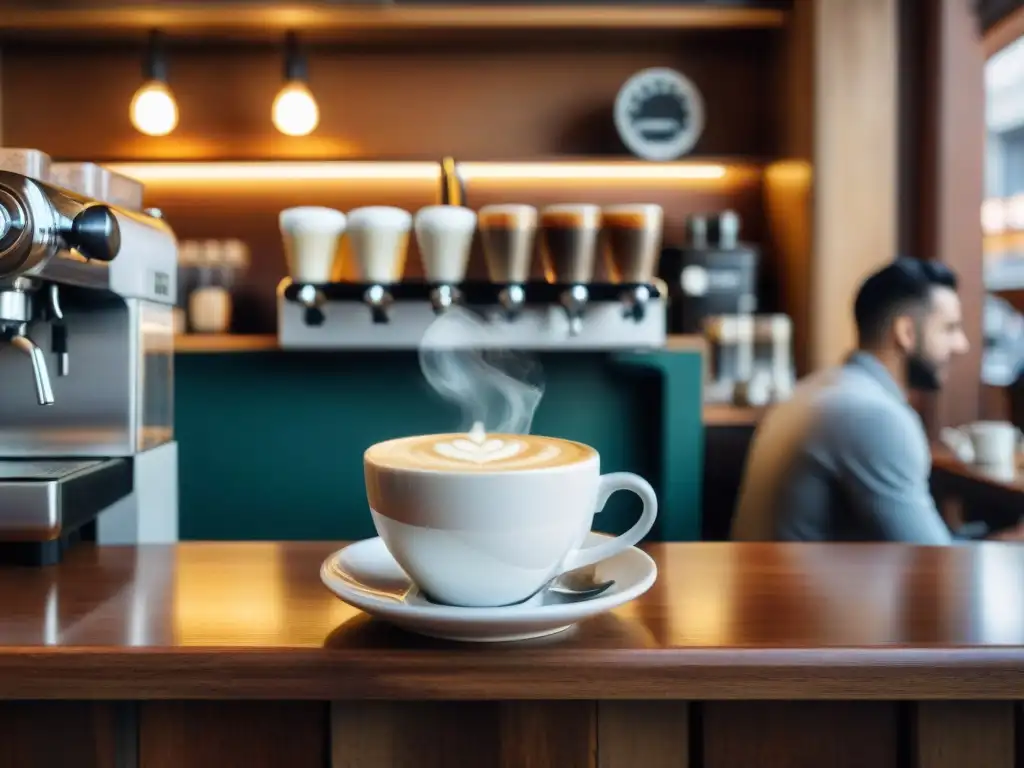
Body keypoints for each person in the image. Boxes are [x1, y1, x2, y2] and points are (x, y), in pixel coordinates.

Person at [731, 257, 1021, 543]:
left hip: (777, 583)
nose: (962, 345)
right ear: (906, 332)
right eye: (949, 329)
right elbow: (934, 565)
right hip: (809, 591)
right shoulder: (874, 416)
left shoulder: (816, 388)